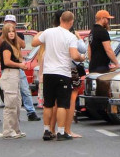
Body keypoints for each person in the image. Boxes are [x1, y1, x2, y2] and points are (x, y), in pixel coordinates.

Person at [32, 11, 86, 141]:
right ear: (71, 22)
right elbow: (74, 55)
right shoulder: (70, 36)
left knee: (48, 104)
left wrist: (40, 34)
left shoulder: (49, 32)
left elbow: (34, 43)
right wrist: (81, 57)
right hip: (62, 72)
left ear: (60, 19)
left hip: (48, 72)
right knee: (62, 104)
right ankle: (61, 132)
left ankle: (46, 130)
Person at [0, 14, 39, 121]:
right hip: (9, 67)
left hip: (18, 66)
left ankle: (31, 111)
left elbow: (23, 45)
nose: (9, 24)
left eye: (12, 23)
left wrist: (14, 34)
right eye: (7, 22)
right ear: (4, 23)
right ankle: (12, 115)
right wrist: (3, 35)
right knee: (11, 93)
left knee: (24, 89)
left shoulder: (18, 35)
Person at [0, 22, 32, 138]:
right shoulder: (6, 45)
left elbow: (22, 45)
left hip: (14, 74)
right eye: (9, 32)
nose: (11, 34)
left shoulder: (14, 45)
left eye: (13, 31)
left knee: (17, 103)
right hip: (9, 74)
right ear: (5, 34)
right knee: (10, 104)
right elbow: (6, 62)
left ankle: (16, 129)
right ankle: (8, 130)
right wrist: (20, 65)